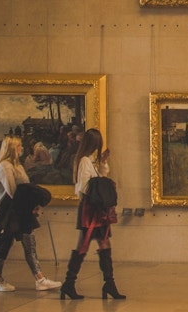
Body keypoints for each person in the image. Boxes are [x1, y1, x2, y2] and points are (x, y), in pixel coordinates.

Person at [0, 135, 61, 292]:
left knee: (30, 244)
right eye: (19, 146)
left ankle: (40, 278)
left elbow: (26, 187)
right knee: (4, 244)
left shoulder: (17, 166)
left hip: (21, 210)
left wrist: (33, 203)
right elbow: (12, 191)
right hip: (10, 211)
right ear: (12, 148)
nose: (22, 148)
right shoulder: (4, 166)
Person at [60, 128, 125, 300]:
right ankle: (69, 283)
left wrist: (103, 162)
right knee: (84, 244)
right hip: (90, 210)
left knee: (104, 242)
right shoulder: (84, 161)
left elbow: (99, 178)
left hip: (96, 209)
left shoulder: (89, 161)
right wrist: (100, 189)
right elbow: (83, 186)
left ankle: (109, 283)